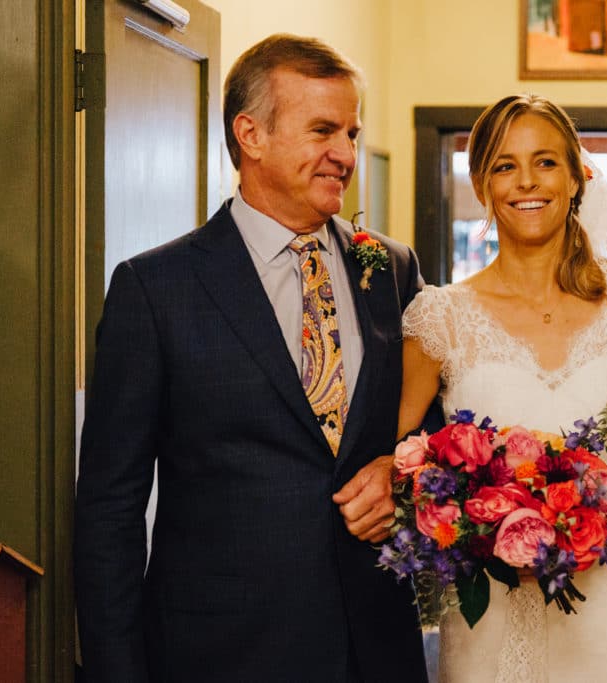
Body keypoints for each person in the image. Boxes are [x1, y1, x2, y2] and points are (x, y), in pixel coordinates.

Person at [74, 34, 429, 682]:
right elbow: (109, 510)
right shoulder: (156, 290)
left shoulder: (390, 268)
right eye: (323, 130)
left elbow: (439, 422)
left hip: (376, 651)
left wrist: (399, 476)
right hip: (220, 655)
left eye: (351, 132)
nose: (345, 155)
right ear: (250, 134)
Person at [397, 94, 607, 682]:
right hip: (488, 605)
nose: (527, 182)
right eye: (503, 165)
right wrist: (468, 527)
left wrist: (588, 533)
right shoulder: (438, 316)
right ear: (481, 185)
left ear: (577, 176)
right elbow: (397, 465)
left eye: (545, 162)